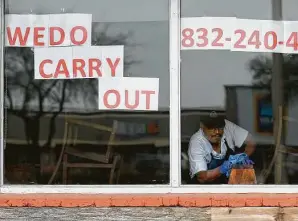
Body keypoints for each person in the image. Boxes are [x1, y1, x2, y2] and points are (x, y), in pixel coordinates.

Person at [188, 111, 256, 184]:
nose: (217, 131)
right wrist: (224, 167)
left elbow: (251, 141)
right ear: (202, 126)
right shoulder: (196, 142)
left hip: (228, 185)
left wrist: (242, 157)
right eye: (211, 127)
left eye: (219, 127)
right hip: (206, 190)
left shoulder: (227, 126)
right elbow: (202, 177)